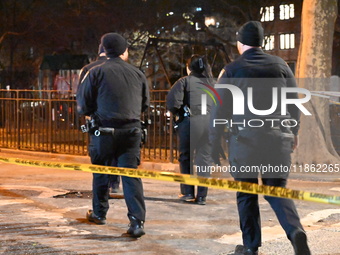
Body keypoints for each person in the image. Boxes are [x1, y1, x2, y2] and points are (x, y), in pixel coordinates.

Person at [210, 21, 311, 255]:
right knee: (277, 189)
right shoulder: (281, 65)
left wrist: (214, 144)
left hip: (246, 142)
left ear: (240, 42)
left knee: (246, 192)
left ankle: (250, 247)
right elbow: (294, 103)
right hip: (277, 139)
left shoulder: (232, 70)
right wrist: (293, 132)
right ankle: (295, 231)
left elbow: (218, 110)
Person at [76, 32, 150, 238]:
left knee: (101, 172)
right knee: (131, 176)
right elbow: (145, 104)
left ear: (103, 49)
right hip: (132, 132)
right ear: (125, 51)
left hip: (104, 131)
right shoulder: (138, 73)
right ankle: (137, 222)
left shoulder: (95, 71)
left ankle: (99, 213)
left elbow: (83, 106)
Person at [166, 54, 214, 205]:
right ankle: (202, 196)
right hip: (210, 123)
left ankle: (187, 192)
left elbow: (173, 103)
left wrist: (177, 114)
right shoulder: (213, 83)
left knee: (186, 157)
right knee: (204, 159)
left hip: (190, 122)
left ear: (189, 68)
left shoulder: (184, 82)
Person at [78, 43, 122, 195]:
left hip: (97, 118)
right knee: (116, 151)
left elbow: (82, 96)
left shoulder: (88, 69)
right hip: (118, 117)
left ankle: (101, 189)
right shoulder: (122, 68)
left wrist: (88, 115)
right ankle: (114, 183)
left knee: (100, 154)